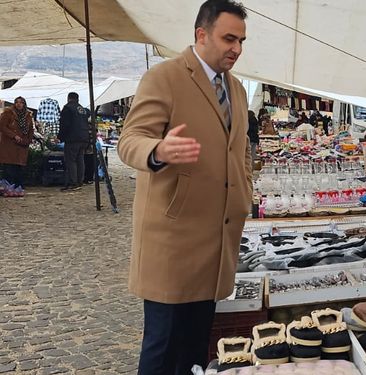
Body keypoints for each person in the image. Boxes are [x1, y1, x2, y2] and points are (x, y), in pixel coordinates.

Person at [116, 1, 251, 373]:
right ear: (201, 34)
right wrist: (158, 150)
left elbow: (240, 152)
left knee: (196, 345)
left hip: (217, 239)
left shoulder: (236, 89)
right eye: (228, 38)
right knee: (163, 345)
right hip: (173, 241)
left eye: (241, 40)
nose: (236, 49)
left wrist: (245, 193)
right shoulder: (166, 77)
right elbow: (131, 139)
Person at [58, 92, 90, 191]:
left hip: (72, 138)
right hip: (84, 138)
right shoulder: (83, 110)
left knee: (71, 161)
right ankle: (80, 181)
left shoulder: (68, 108)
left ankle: (73, 182)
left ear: (68, 98)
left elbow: (65, 125)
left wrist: (60, 137)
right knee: (80, 160)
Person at [0, 97, 34, 189]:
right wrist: (14, 135)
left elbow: (30, 129)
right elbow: (2, 127)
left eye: (21, 102)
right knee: (9, 166)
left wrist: (29, 140)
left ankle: (19, 185)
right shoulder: (8, 113)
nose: (19, 104)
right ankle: (8, 186)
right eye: (17, 102)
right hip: (9, 145)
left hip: (22, 144)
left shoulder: (27, 115)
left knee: (20, 167)